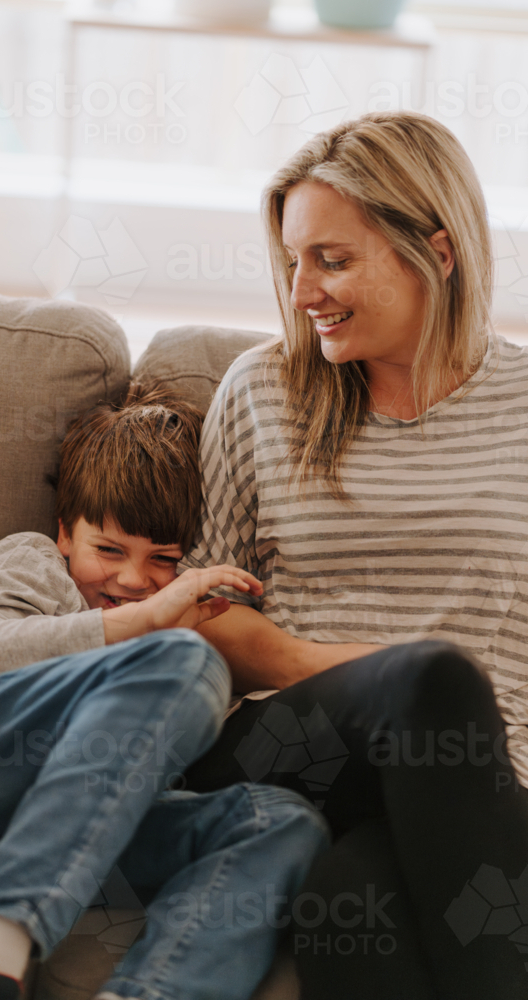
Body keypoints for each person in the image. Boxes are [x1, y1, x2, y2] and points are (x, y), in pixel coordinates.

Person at [180, 111, 528, 1000]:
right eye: (294, 261)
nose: (301, 293)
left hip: (471, 784)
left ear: (436, 254)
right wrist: (308, 660)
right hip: (290, 743)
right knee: (432, 681)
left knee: (353, 906)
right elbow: (202, 616)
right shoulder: (262, 390)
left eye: (330, 260)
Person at [0, 381, 329, 1000]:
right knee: (185, 664)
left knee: (282, 823)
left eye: (164, 560)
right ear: (64, 533)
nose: (134, 580)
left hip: (2, 854)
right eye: (108, 549)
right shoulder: (34, 561)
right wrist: (147, 624)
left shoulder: (198, 629)